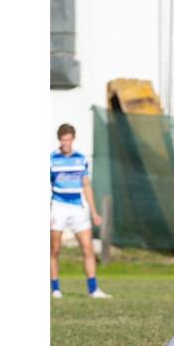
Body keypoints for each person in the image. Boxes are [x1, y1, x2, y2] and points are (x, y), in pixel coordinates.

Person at [50, 124, 109, 299]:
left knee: (88, 248)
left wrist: (94, 212)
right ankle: (55, 288)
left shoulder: (81, 159)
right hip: (58, 207)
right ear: (59, 140)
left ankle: (93, 289)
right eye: (62, 140)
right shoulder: (51, 159)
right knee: (55, 249)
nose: (65, 143)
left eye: (68, 139)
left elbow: (86, 185)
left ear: (73, 139)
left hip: (79, 208)